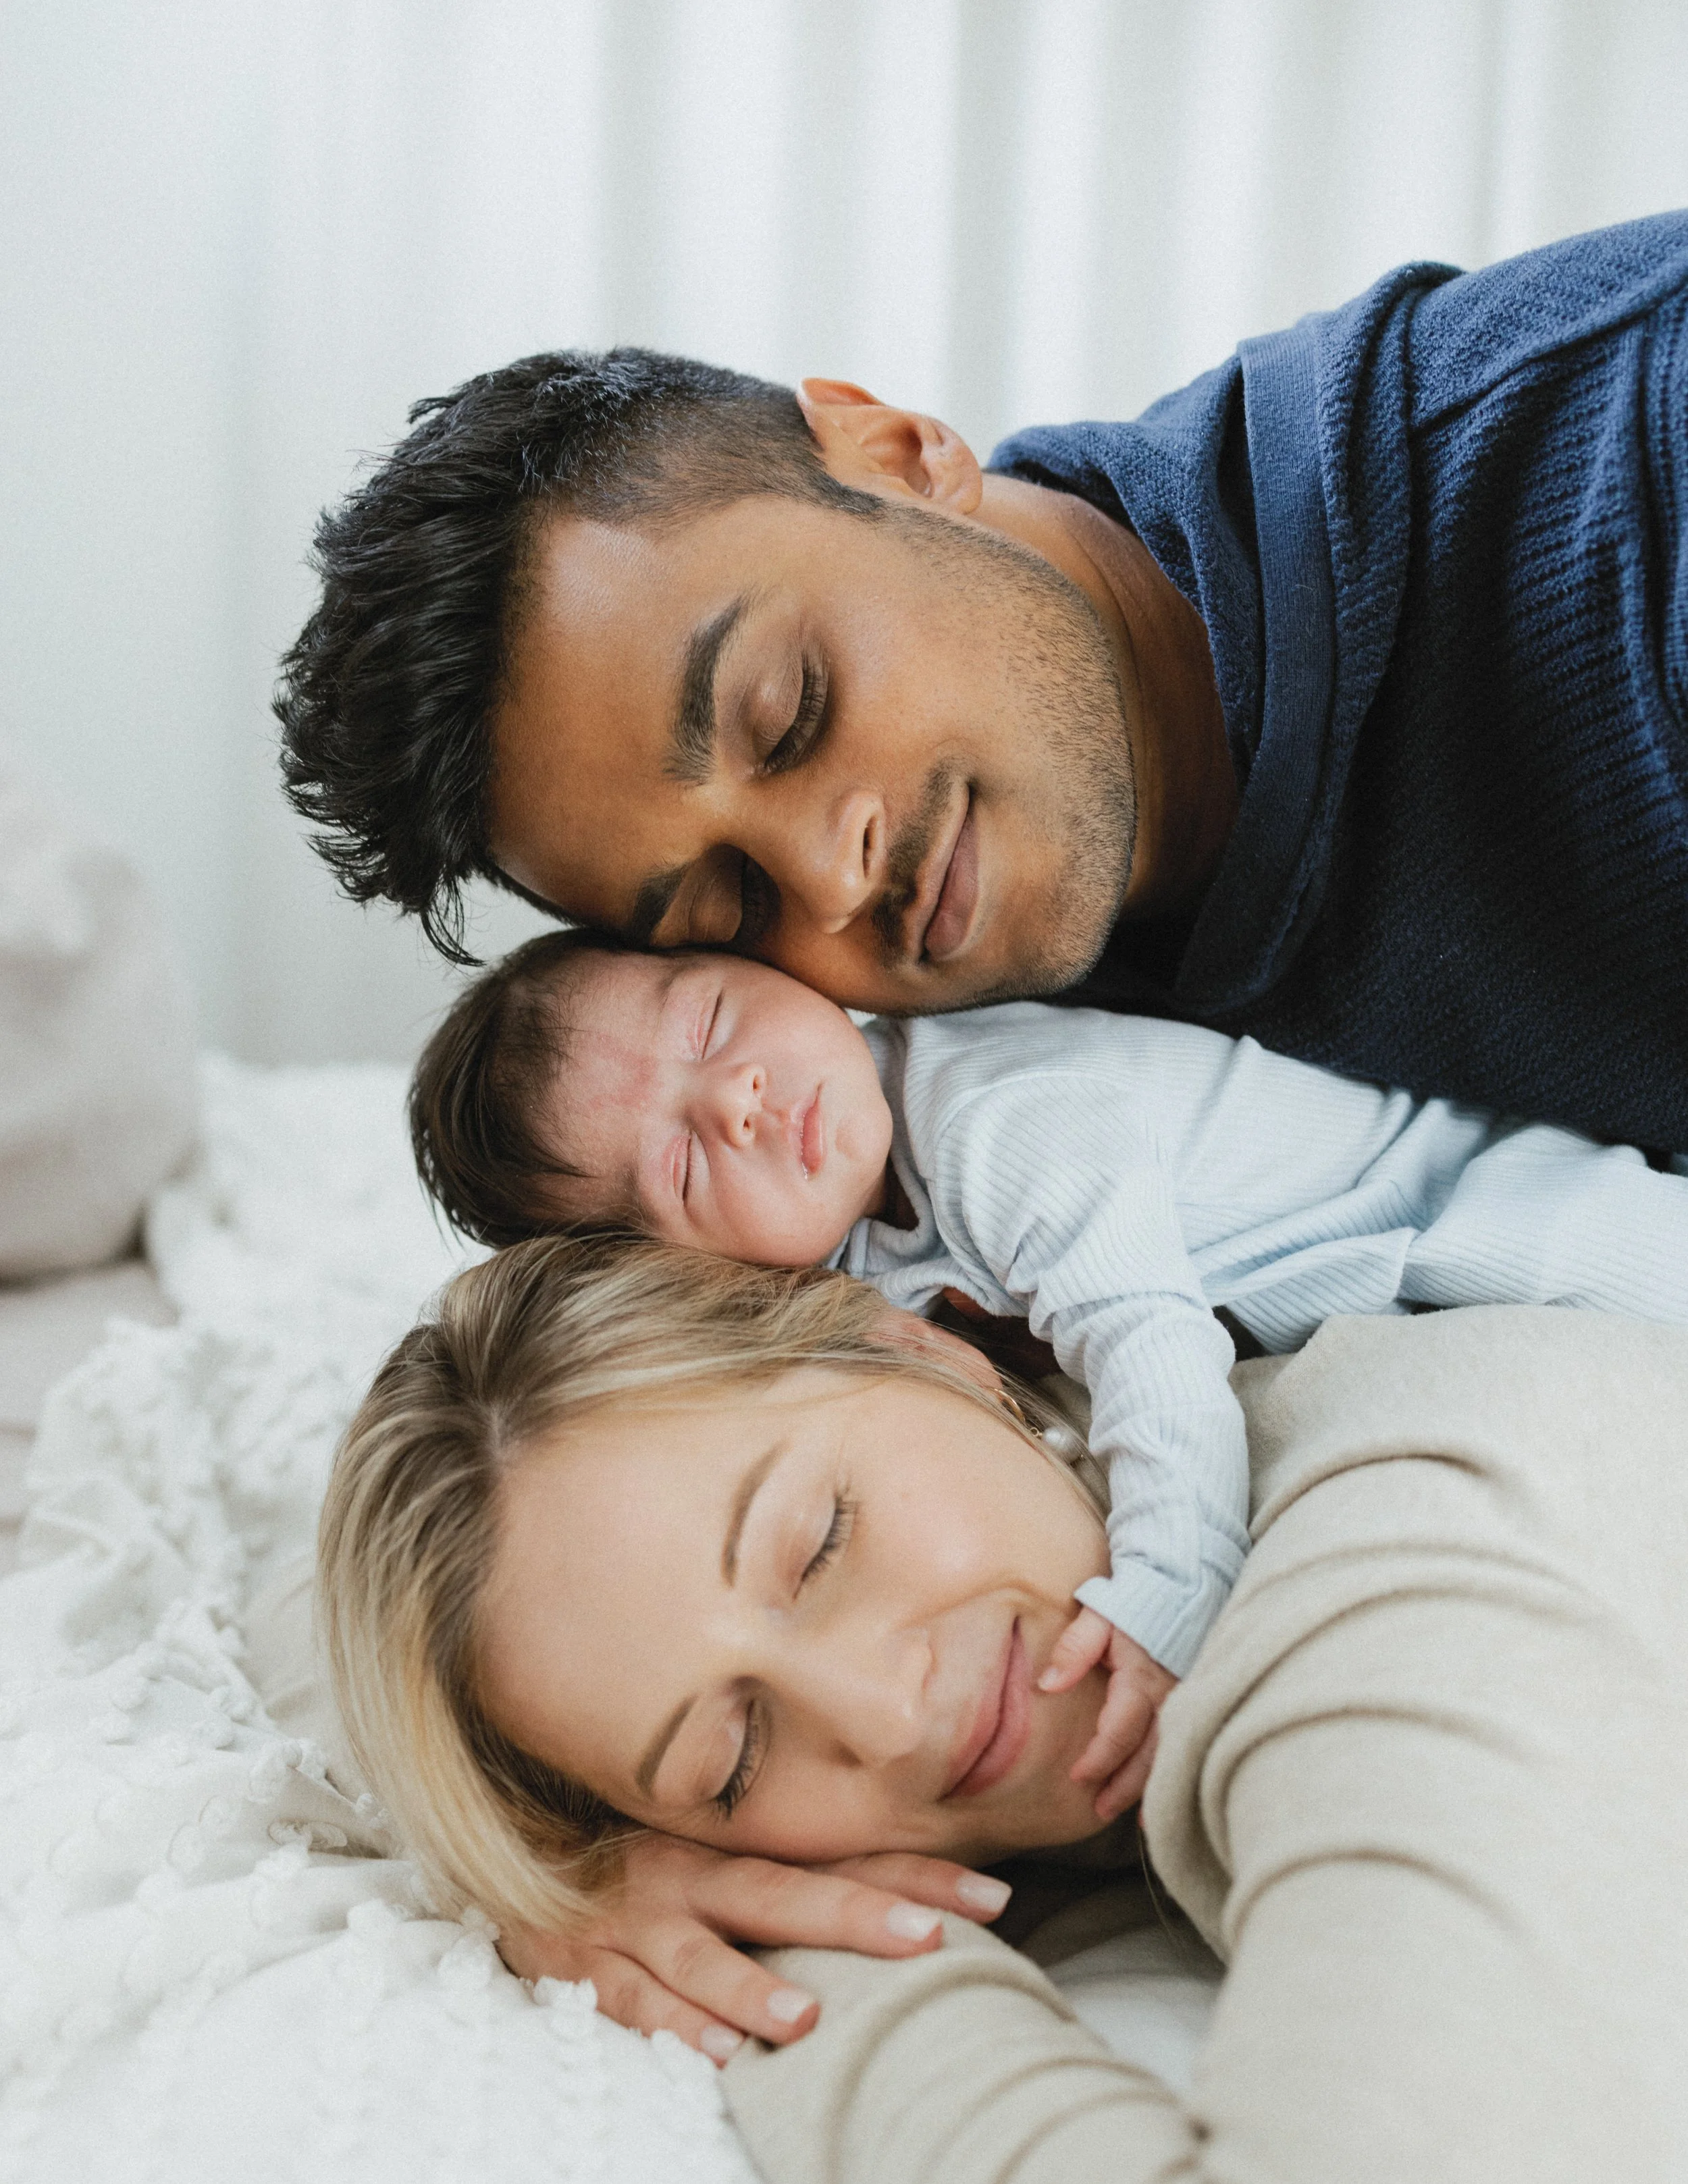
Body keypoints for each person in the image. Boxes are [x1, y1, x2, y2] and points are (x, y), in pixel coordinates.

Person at [275, 214, 1688, 1152]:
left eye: (791, 714)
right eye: (730, 909)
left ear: (896, 451)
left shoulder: (1629, 472)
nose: (830, 888)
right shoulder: (968, 1095)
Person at [316, 1233, 1688, 2181]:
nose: (879, 1716)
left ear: (929, 1350)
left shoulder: (1405, 1546)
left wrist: (799, 1987)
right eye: (728, 1760)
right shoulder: (1046, 1808)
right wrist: (606, 1898)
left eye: (818, 1544)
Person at [401, 926, 1688, 1807]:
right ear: (689, 1280)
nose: (736, 1098)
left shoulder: (986, 1111)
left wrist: (1171, 1584)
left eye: (715, 1020)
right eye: (683, 1165)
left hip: (1484, 1194)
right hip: (1408, 1269)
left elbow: (1148, 1336)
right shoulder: (845, 1258)